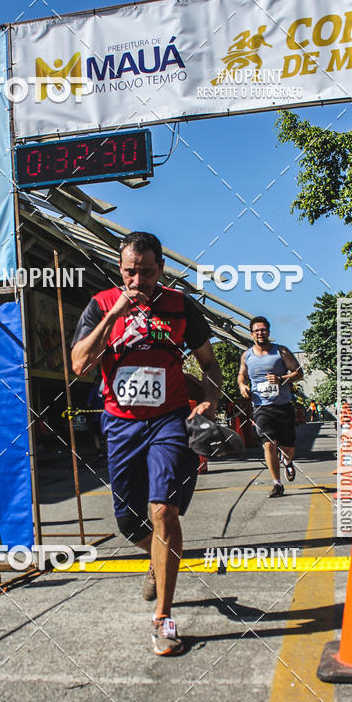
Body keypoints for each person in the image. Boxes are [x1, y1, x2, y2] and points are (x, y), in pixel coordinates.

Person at [71, 231, 221, 656]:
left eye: (147, 272)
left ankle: (164, 618)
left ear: (161, 269)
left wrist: (209, 398)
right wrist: (116, 311)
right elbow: (80, 365)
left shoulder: (179, 305)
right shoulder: (101, 305)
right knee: (129, 523)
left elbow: (209, 365)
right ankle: (157, 561)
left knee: (163, 510)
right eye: (130, 272)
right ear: (121, 270)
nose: (138, 280)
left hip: (169, 420)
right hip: (120, 426)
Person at [237, 316, 303, 498]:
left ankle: (287, 462)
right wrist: (243, 386)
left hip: (283, 405)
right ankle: (277, 484)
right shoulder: (247, 355)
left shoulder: (281, 352)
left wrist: (281, 378)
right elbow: (241, 375)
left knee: (288, 447)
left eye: (263, 330)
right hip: (261, 407)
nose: (260, 333)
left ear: (269, 332)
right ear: (251, 334)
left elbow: (299, 372)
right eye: (257, 330)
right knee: (268, 444)